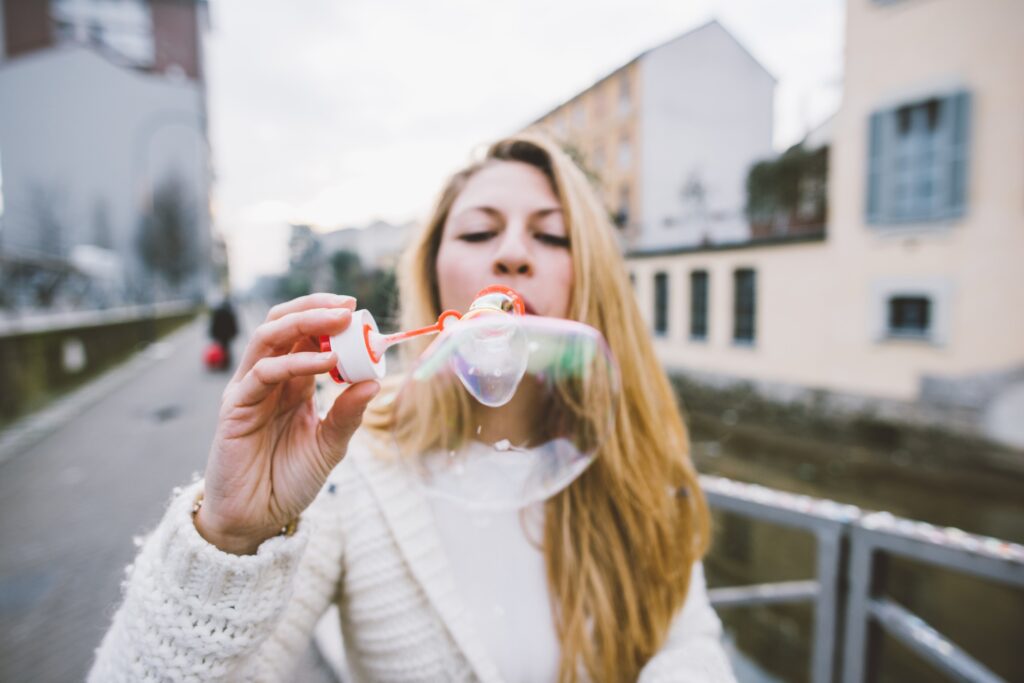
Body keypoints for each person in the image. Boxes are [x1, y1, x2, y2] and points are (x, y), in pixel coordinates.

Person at [89, 133, 736, 682]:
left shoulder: (637, 460)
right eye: (481, 230)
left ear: (587, 277)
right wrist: (231, 536)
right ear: (432, 275)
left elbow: (691, 647)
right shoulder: (351, 468)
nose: (512, 253)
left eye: (552, 235)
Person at [208, 296, 240, 369]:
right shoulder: (230, 312)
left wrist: (212, 333)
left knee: (220, 347)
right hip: (227, 334)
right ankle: (226, 363)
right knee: (227, 348)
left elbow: (214, 324)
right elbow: (233, 324)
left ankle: (220, 361)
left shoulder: (217, 312)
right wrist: (235, 332)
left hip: (218, 334)